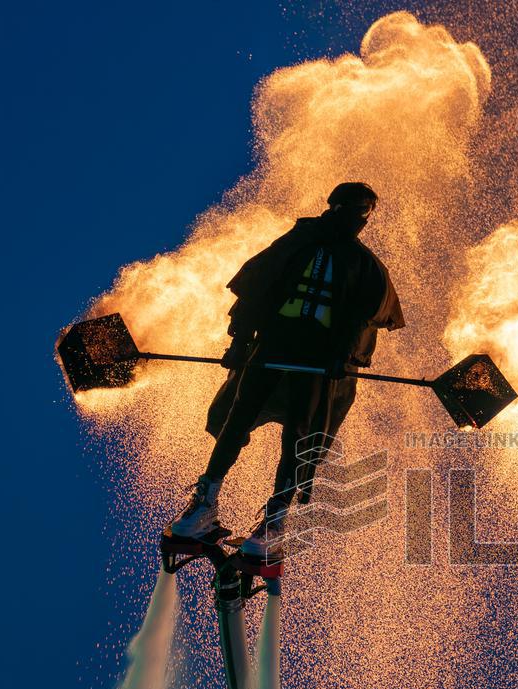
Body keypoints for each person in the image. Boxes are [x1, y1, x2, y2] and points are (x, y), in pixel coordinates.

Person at [169, 181, 404, 558]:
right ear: (338, 206)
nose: (361, 220)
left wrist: (342, 357)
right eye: (358, 211)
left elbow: (363, 316)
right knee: (237, 417)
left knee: (299, 434)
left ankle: (275, 520)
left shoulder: (363, 263)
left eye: (366, 214)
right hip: (274, 344)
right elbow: (257, 288)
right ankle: (205, 502)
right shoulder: (298, 241)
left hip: (317, 359)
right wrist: (239, 342)